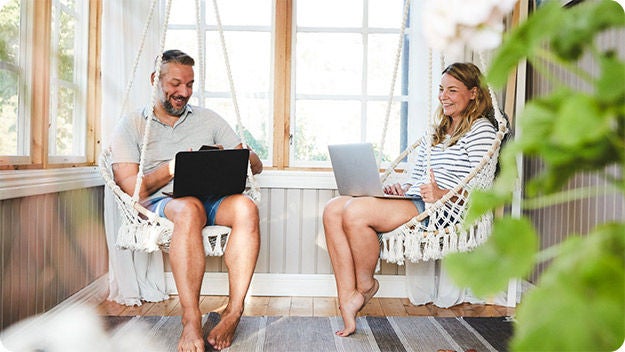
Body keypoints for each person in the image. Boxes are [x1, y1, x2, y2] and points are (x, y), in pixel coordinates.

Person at [322, 62, 497, 337]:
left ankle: (365, 286)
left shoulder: (481, 130)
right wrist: (402, 189)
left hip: (444, 209)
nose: (444, 97)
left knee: (355, 212)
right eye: (441, 90)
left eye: (453, 90)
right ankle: (348, 297)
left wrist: (442, 195)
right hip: (418, 200)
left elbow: (482, 189)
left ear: (474, 93)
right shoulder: (437, 131)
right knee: (333, 209)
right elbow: (417, 177)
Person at [110, 49, 263, 351]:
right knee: (190, 208)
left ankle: (234, 310)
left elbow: (255, 166)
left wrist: (237, 156)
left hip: (211, 197)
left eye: (190, 84)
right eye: (176, 84)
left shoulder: (209, 119)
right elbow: (132, 189)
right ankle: (191, 318)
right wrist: (171, 169)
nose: (184, 92)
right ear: (156, 80)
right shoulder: (131, 125)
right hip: (160, 204)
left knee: (246, 207)